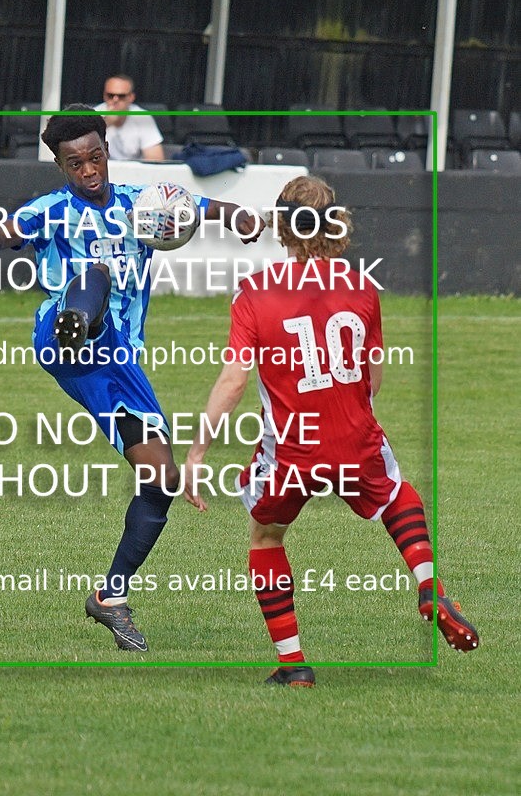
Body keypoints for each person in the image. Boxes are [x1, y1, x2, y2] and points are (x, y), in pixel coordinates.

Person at [0, 105, 264, 652]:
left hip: (119, 362)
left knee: (160, 481)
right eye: (75, 163)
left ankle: (110, 596)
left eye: (94, 157)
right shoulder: (50, 210)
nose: (88, 170)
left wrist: (242, 217)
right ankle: (77, 322)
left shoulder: (145, 204)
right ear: (61, 166)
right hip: (61, 336)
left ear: (106, 152)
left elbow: (203, 207)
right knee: (93, 272)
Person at [182, 175, 478, 686]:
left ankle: (294, 667)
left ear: (281, 225)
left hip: (292, 450)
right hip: (356, 435)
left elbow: (233, 381)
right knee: (398, 498)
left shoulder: (255, 292)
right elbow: (374, 378)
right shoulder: (363, 286)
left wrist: (196, 453)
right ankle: (429, 585)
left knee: (266, 534)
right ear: (334, 222)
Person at [94, 74, 165, 161]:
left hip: (134, 172)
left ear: (131, 97)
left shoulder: (142, 117)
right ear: (104, 96)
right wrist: (106, 123)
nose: (115, 100)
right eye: (110, 95)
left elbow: (156, 160)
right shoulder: (93, 115)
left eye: (121, 96)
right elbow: (82, 152)